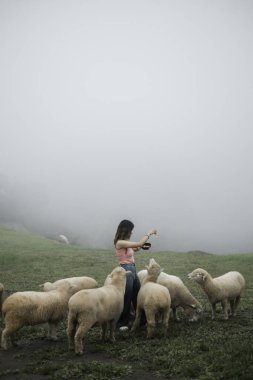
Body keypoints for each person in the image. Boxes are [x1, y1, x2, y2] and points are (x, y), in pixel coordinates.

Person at [114, 219, 157, 331]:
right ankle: (122, 322)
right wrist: (150, 233)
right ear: (126, 230)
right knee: (127, 296)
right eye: (131, 230)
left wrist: (143, 246)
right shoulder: (120, 242)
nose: (132, 232)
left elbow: (137, 247)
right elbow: (138, 243)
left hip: (132, 268)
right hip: (125, 270)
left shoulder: (126, 242)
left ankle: (142, 320)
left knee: (137, 295)